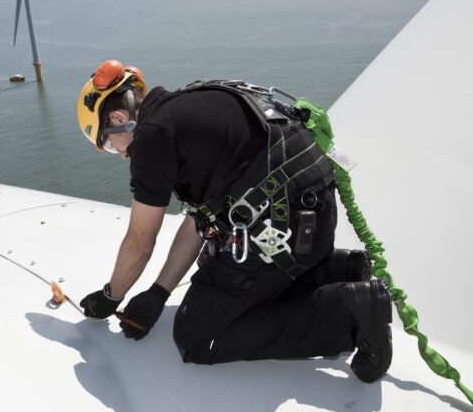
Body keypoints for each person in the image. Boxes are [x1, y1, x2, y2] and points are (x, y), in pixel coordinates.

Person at [76, 59, 392, 383]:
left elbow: (139, 241)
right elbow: (198, 220)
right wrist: (159, 292)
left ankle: (352, 312)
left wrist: (110, 296)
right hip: (313, 220)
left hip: (288, 231)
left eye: (109, 145)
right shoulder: (191, 102)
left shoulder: (151, 139)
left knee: (195, 335)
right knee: (218, 267)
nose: (122, 154)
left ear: (118, 119)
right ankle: (341, 270)